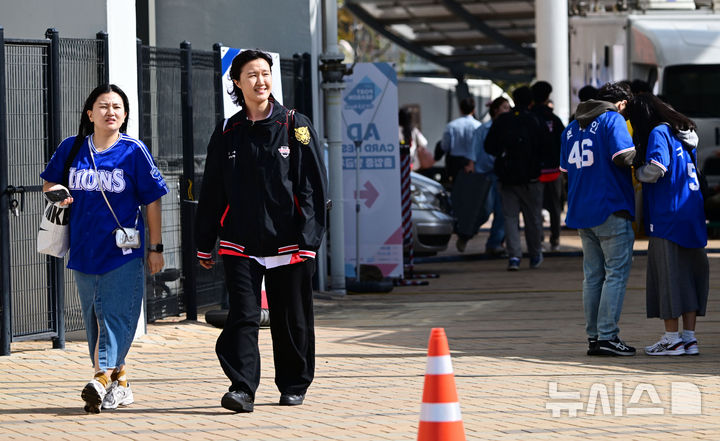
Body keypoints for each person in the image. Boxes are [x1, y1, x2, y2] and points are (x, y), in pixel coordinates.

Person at [195, 49, 328, 413]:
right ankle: (242, 388)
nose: (261, 81)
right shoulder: (227, 131)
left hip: (290, 242)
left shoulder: (295, 125)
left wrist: (309, 239)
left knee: (291, 317)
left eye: (266, 73)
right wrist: (204, 243)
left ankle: (294, 383)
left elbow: (314, 187)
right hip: (240, 242)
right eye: (251, 74)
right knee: (244, 316)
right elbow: (213, 191)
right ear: (237, 82)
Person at [40, 84, 168, 412]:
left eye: (117, 107)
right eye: (103, 106)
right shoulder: (72, 148)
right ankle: (120, 382)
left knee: (117, 316)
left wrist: (156, 246)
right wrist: (60, 194)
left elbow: (153, 201)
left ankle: (100, 378)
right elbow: (49, 184)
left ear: (124, 116)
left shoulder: (134, 151)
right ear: (90, 113)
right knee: (94, 316)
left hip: (123, 252)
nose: (110, 112)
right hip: (83, 248)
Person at [626, 93, 709, 356]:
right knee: (690, 276)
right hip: (692, 212)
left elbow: (658, 167)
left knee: (668, 277)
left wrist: (638, 172)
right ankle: (689, 339)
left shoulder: (658, 133)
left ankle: (672, 339)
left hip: (667, 216)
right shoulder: (685, 134)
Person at [560, 81, 637, 356]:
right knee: (615, 275)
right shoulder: (612, 119)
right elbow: (622, 156)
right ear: (622, 104)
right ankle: (608, 336)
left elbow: (565, 169)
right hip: (610, 206)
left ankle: (594, 337)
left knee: (592, 276)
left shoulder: (571, 127)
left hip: (582, 210)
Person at [484, 86, 546, 270]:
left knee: (510, 217)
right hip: (531, 178)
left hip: (507, 177)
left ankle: (514, 257)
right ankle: (535, 254)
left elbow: (489, 146)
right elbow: (545, 147)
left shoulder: (503, 120)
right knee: (533, 218)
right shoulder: (536, 120)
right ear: (531, 102)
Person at [469, 96, 511, 256]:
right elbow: (474, 150)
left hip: (500, 174)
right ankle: (467, 231)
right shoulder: (482, 129)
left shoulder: (508, 128)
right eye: (504, 107)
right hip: (484, 174)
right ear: (495, 110)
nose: (507, 111)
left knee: (501, 210)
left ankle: (495, 243)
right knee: (485, 210)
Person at [440, 97, 481, 252]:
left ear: (460, 109)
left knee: (456, 197)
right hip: (473, 163)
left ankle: (457, 224)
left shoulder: (452, 126)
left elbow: (445, 146)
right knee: (473, 198)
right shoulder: (478, 126)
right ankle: (467, 227)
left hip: (456, 164)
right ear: (474, 109)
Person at [531, 81, 566, 252]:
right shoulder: (554, 119)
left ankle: (539, 241)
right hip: (554, 170)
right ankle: (555, 240)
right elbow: (564, 142)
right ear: (547, 97)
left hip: (534, 171)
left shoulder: (529, 117)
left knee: (535, 209)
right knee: (555, 208)